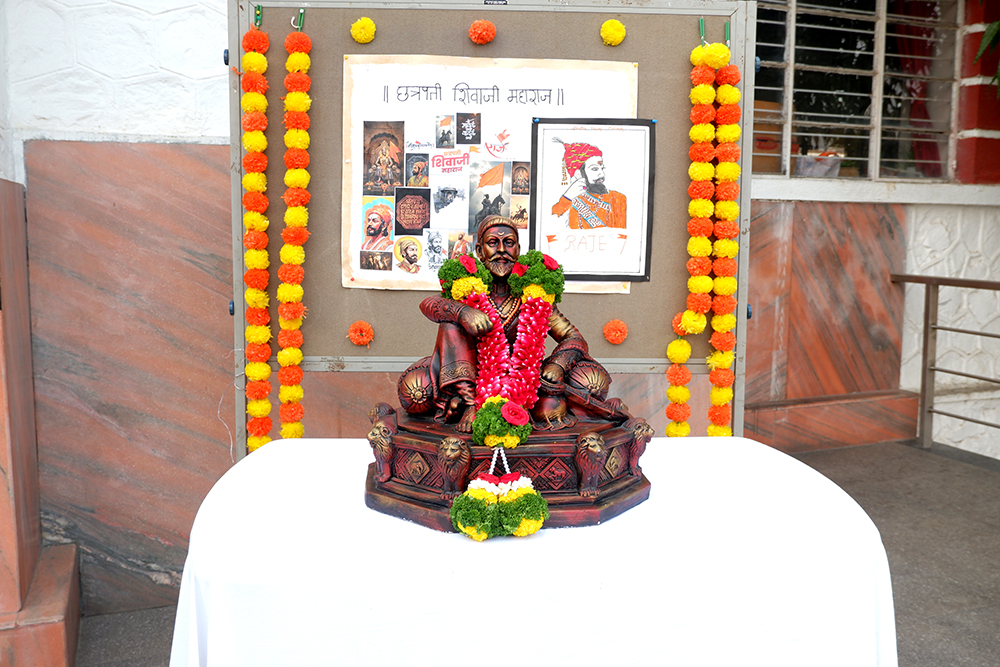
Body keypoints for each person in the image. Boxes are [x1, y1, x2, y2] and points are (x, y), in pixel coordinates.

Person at [397, 215, 616, 432]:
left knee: (588, 383)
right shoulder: (466, 288)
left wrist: (558, 364)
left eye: (508, 243)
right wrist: (462, 311)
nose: (501, 250)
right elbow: (429, 304)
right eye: (493, 243)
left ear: (518, 250)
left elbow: (573, 337)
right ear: (480, 252)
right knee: (417, 388)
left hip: (523, 380)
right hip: (474, 379)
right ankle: (470, 403)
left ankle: (511, 406)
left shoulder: (533, 295)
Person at [550, 141, 627, 229]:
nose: (602, 174)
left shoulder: (618, 199)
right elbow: (549, 226)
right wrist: (567, 197)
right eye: (594, 169)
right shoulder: (568, 203)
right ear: (578, 174)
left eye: (602, 168)